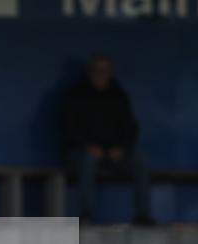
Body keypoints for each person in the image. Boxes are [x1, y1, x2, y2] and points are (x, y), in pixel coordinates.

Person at [62, 55, 151, 225]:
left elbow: (131, 129)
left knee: (139, 160)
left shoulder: (119, 95)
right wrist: (87, 146)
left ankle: (143, 215)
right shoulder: (76, 95)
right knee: (88, 160)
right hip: (81, 153)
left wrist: (121, 148)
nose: (101, 75)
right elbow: (68, 128)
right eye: (97, 71)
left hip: (114, 155)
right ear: (90, 73)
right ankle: (86, 214)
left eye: (105, 71)